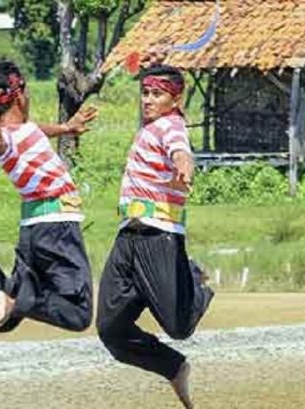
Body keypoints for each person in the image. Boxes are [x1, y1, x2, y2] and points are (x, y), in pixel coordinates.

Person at [0, 60, 97, 334]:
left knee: (3, 319)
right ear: (18, 96)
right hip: (56, 228)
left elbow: (36, 130)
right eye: (26, 94)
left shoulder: (22, 131)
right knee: (78, 313)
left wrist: (65, 128)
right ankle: (15, 299)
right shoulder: (5, 139)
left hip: (35, 229)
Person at [96, 63, 214, 409]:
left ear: (175, 99)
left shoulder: (171, 125)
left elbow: (181, 152)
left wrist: (184, 168)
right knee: (110, 330)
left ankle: (193, 279)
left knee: (179, 328)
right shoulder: (147, 128)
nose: (148, 100)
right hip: (127, 239)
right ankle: (172, 366)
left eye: (156, 94)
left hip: (158, 237)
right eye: (145, 93)